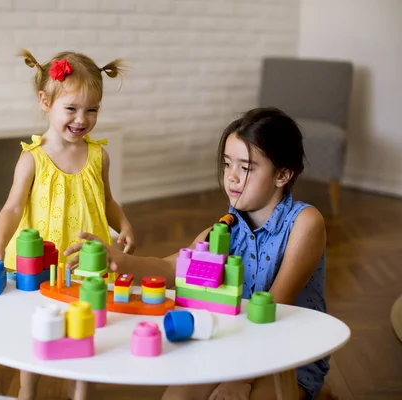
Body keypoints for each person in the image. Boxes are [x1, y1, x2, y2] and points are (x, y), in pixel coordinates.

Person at [65, 107, 332, 400]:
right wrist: (119, 260)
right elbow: (173, 269)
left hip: (286, 350)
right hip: (235, 342)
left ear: (283, 174)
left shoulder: (305, 224)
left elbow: (275, 306)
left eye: (245, 168)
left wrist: (239, 379)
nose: (231, 177)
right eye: (227, 164)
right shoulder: (224, 229)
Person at [0, 48, 136, 400]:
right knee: (39, 331)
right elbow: (12, 209)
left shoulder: (98, 156)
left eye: (92, 110)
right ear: (45, 101)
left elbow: (106, 201)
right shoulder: (33, 159)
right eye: (72, 109)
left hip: (85, 265)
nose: (82, 119)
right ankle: (26, 391)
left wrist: (123, 224)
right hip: (40, 268)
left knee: (85, 330)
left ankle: (80, 391)